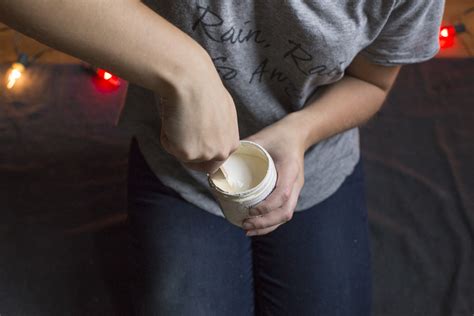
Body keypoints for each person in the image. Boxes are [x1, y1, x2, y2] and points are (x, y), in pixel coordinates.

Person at [0, 0, 444, 315]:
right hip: (176, 170)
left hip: (316, 163)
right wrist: (184, 69)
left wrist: (300, 132)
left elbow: (373, 83)